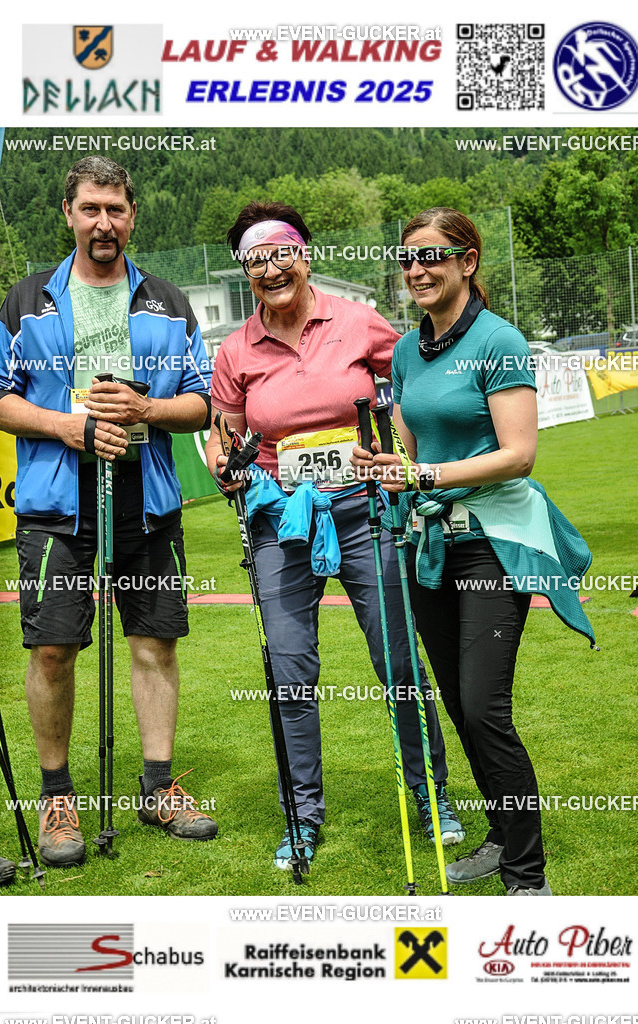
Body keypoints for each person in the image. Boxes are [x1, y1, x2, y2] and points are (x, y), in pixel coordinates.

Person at [205, 201, 464, 871]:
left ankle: (431, 796)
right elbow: (223, 435)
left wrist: (402, 452)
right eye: (255, 259)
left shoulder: (356, 321)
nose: (270, 268)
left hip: (363, 512)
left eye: (281, 253)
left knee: (398, 662)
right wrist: (224, 465)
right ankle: (302, 815)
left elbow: (412, 380)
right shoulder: (235, 349)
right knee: (290, 672)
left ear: (304, 256)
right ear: (245, 271)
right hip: (279, 521)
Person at [352, 207, 597, 896]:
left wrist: (424, 475)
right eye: (408, 259)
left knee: (485, 708)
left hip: (491, 544)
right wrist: (383, 462)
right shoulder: (407, 350)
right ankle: (501, 835)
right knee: (460, 708)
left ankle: (527, 876)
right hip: (429, 544)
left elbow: (518, 455)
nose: (417, 269)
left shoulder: (499, 340)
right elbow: (408, 449)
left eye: (433, 256)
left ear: (467, 262)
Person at [0, 156, 218, 867]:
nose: (103, 222)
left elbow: (203, 402)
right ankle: (57, 798)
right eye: (90, 208)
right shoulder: (27, 299)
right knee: (53, 648)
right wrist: (68, 426)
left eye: (115, 209)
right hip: (56, 503)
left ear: (132, 215)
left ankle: (157, 787)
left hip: (146, 499)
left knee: (154, 644)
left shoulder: (168, 300)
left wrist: (146, 408)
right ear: (68, 213)